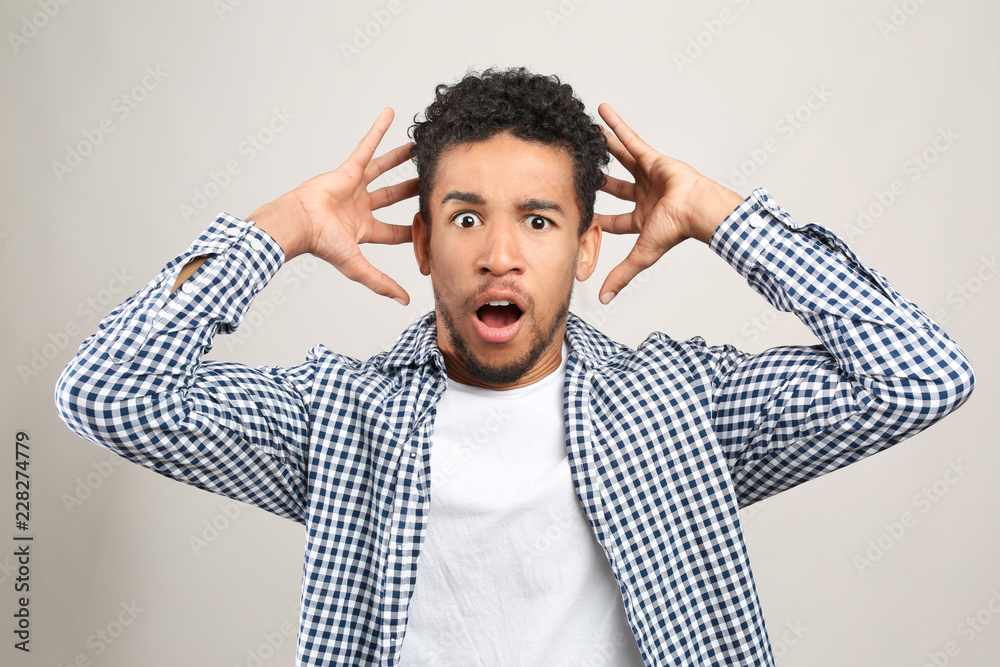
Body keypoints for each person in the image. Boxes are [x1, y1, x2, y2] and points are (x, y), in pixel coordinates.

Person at [55, 67, 975, 666]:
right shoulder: (338, 417)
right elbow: (107, 394)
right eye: (465, 218)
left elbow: (921, 375)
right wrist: (280, 229)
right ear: (421, 244)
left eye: (538, 220)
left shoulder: (680, 407)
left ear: (582, 247)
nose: (500, 254)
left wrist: (721, 215)